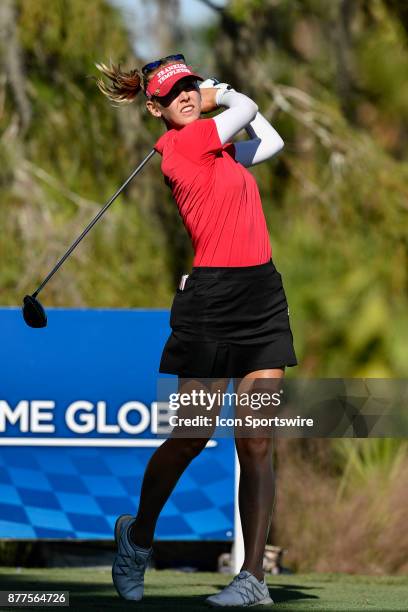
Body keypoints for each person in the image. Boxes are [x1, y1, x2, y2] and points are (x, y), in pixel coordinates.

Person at [95, 53, 297, 607]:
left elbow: (272, 142)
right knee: (192, 435)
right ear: (155, 108)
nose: (186, 95)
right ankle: (137, 538)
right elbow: (250, 107)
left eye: (190, 85)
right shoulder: (183, 148)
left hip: (261, 295)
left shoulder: (219, 149)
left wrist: (221, 100)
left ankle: (253, 578)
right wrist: (222, 93)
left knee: (256, 440)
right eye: (175, 93)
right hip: (210, 301)